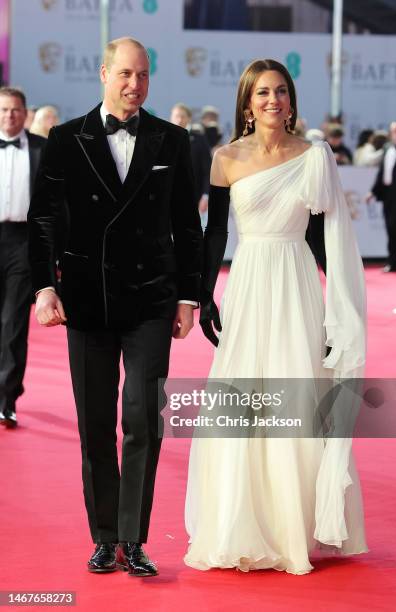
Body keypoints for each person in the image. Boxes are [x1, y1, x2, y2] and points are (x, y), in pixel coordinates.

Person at [184, 59, 367, 575]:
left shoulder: (313, 157)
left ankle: (295, 527)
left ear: (291, 99)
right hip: (248, 284)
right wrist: (204, 294)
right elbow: (215, 234)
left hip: (297, 285)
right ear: (247, 102)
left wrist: (342, 308)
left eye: (281, 91)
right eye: (263, 92)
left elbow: (321, 237)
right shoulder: (225, 158)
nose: (273, 100)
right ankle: (243, 522)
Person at [28, 37, 202, 577]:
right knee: (96, 425)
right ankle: (105, 537)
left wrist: (189, 295)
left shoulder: (172, 140)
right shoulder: (64, 138)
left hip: (152, 298)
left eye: (143, 75)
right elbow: (43, 221)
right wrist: (43, 287)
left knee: (144, 422)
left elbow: (186, 227)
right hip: (86, 299)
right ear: (104, 72)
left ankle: (134, 538)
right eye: (125, 73)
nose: (135, 85)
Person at [0, 87, 46, 429]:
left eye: (15, 110)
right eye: (3, 110)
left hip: (22, 244)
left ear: (25, 113)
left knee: (13, 324)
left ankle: (7, 399)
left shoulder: (42, 149)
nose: (9, 116)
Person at [366, 121, 396, 272]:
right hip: (387, 192)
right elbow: (382, 172)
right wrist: (373, 191)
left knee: (393, 223)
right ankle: (394, 261)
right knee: (390, 226)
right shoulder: (387, 148)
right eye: (394, 131)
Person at [170, 102, 211, 212]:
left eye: (182, 116)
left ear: (189, 119)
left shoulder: (199, 140)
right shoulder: (164, 139)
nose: (179, 120)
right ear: (171, 118)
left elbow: (208, 171)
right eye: (176, 116)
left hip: (194, 199)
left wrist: (206, 196)